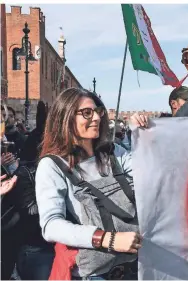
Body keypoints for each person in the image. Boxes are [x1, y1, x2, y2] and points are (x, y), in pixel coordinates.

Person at [36, 88, 141, 279]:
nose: (96, 118)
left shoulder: (114, 152)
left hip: (135, 267)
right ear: (66, 118)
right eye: (86, 112)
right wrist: (108, 239)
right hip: (94, 275)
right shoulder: (52, 165)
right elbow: (51, 225)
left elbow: (151, 177)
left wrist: (142, 136)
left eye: (97, 111)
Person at [12, 101, 55, 280]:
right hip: (36, 248)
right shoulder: (25, 173)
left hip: (56, 245)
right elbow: (29, 209)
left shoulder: (59, 171)